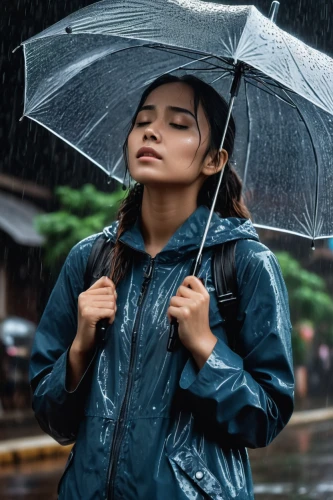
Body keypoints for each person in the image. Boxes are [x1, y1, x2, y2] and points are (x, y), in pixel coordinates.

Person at [30, 74, 294, 499]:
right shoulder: (91, 259)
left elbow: (266, 416)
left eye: (179, 124)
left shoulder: (245, 264)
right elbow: (51, 418)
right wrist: (79, 348)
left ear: (214, 159)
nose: (150, 131)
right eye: (143, 121)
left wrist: (207, 347)